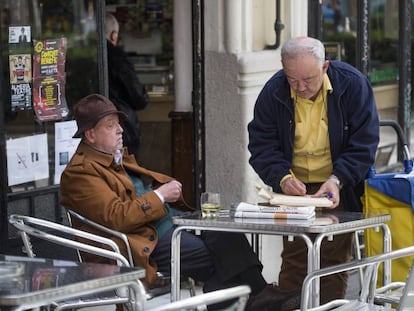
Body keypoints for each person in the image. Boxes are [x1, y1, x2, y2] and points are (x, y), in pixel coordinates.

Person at [60, 93, 300, 311]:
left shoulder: (112, 157)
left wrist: (162, 194)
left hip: (166, 225)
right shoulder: (81, 173)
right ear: (90, 134)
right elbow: (117, 217)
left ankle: (259, 297)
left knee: (225, 233)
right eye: (110, 126)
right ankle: (259, 299)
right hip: (140, 242)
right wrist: (161, 195)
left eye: (118, 124)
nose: (120, 130)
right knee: (218, 259)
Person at [248, 36, 379, 305]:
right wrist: (282, 178)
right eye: (292, 80)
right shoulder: (274, 91)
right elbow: (261, 144)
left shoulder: (352, 85)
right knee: (296, 258)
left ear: (325, 67)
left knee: (333, 261)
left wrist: (338, 179)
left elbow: (364, 143)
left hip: (337, 185)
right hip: (294, 188)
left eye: (308, 79)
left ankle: (330, 309)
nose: (300, 87)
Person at [106, 13, 148, 162]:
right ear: (113, 35)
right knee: (126, 172)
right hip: (124, 125)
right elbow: (139, 98)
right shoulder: (118, 57)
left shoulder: (87, 55)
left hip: (92, 127)